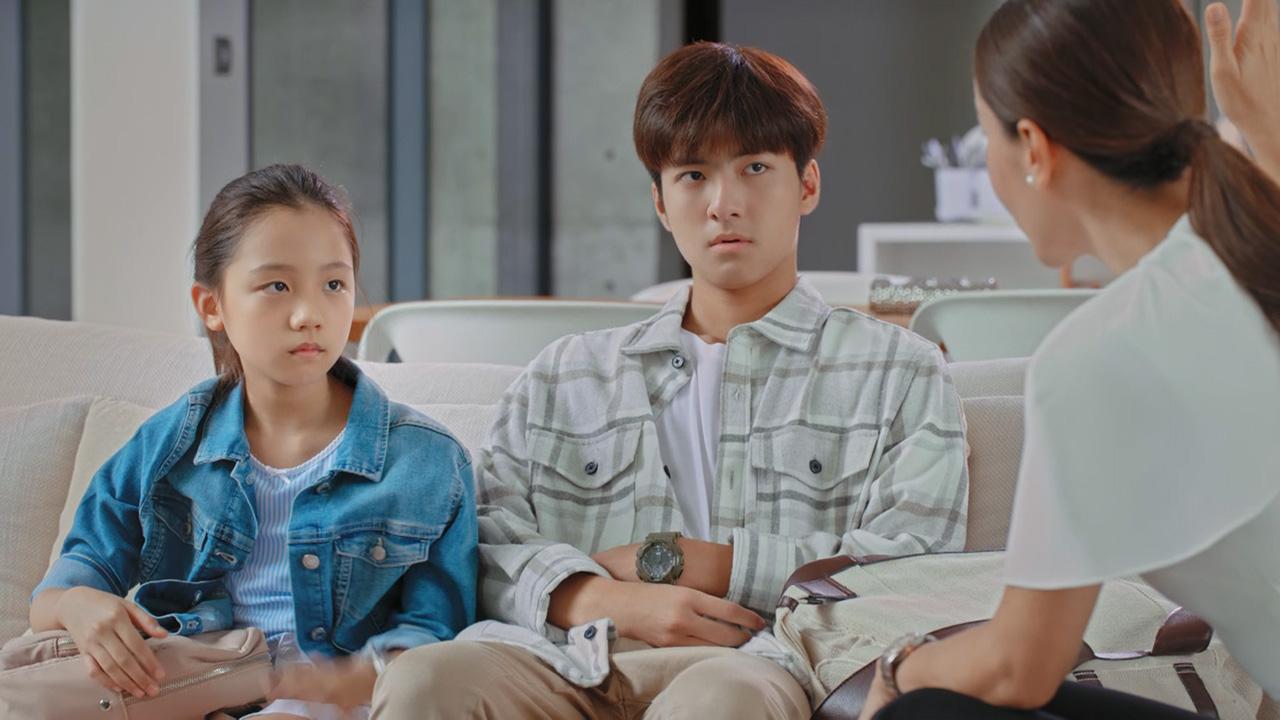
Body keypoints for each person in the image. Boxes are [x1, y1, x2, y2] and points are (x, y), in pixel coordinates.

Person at [372, 42, 970, 720]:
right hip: (567, 660)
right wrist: (601, 597)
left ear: (807, 185)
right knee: (425, 680)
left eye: (755, 168)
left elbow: (913, 569)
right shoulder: (565, 374)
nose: (724, 204)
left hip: (763, 663)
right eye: (693, 175)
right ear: (660, 201)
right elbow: (486, 540)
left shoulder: (899, 371)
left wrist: (695, 563)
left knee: (721, 702)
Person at [861, 1, 1280, 718]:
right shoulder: (1245, 259)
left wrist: (901, 668)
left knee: (922, 710)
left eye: (984, 133)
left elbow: (1017, 667)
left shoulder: (1102, 352)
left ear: (1033, 147)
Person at [29, 164, 478, 720]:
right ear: (211, 306)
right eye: (277, 286)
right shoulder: (168, 447)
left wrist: (310, 687)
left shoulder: (429, 463)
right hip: (186, 694)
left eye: (334, 285)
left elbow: (436, 643)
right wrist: (79, 605)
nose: (309, 315)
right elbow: (58, 594)